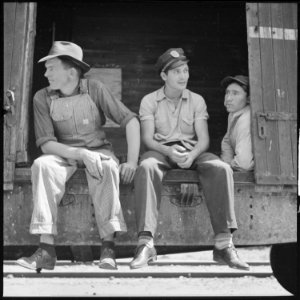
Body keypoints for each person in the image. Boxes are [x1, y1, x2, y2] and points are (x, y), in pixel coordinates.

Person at [16, 41, 140, 271]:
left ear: (71, 72)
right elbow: (46, 144)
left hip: (98, 150)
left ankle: (108, 247)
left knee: (107, 167)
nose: (45, 73)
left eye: (51, 67)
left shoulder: (94, 88)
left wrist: (132, 162)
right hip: (64, 154)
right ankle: (46, 249)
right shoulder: (41, 97)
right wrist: (80, 153)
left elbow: (130, 120)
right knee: (42, 165)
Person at [130, 48, 249, 270]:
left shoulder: (197, 100)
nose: (183, 76)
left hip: (191, 150)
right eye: (177, 71)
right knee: (146, 167)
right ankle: (145, 244)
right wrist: (169, 153)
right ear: (164, 76)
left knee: (221, 168)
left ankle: (224, 245)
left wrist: (192, 155)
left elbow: (203, 139)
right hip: (161, 151)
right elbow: (147, 139)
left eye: (185, 70)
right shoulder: (149, 101)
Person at [220, 75, 254, 171]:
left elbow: (243, 164)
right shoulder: (233, 114)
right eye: (227, 93)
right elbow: (227, 141)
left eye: (235, 93)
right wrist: (226, 164)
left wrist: (229, 165)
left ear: (248, 99)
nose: (228, 98)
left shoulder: (246, 119)